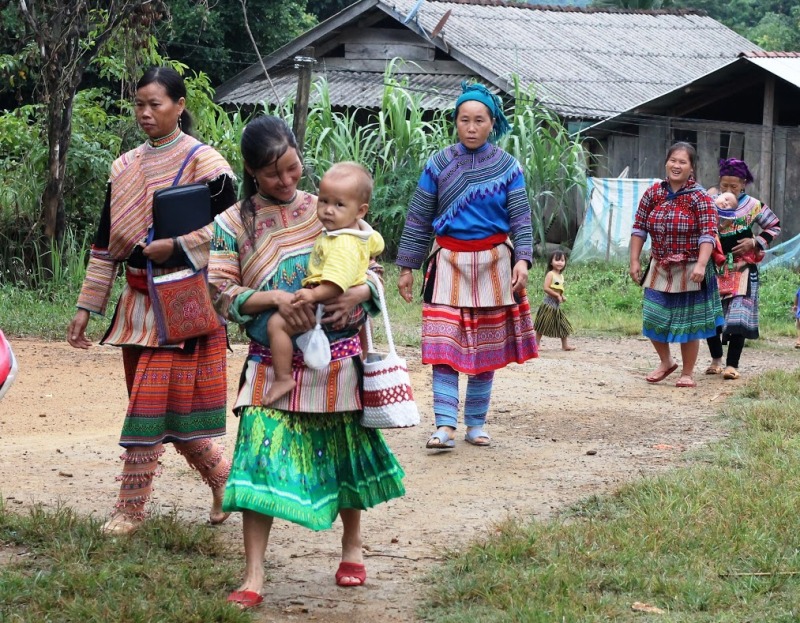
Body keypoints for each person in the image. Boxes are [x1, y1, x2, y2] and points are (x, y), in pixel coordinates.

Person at [206, 116, 405, 608]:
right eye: (274, 175)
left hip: (337, 357)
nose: (289, 182)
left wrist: (355, 292)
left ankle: (352, 545)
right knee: (257, 456)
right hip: (270, 358)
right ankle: (254, 574)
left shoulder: (330, 205)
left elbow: (372, 267)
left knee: (345, 452)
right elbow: (220, 296)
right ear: (252, 172)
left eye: (294, 169)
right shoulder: (231, 225)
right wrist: (273, 298)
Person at [66, 67, 237, 535]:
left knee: (148, 405)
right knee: (164, 410)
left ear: (180, 105)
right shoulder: (122, 167)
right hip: (137, 304)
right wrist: (87, 307)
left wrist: (179, 245)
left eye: (155, 104)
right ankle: (225, 480)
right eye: (139, 104)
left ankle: (129, 510)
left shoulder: (208, 164)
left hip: (185, 306)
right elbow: (106, 243)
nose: (144, 112)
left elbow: (231, 228)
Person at [396, 81, 538, 450]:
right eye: (464, 120)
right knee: (444, 347)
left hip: (494, 266)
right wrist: (407, 267)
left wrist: (522, 258)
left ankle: (476, 423)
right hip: (448, 264)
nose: (472, 127)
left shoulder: (509, 167)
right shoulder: (439, 164)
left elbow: (521, 217)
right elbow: (418, 216)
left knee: (486, 349)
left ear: (493, 123)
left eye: (479, 120)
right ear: (455, 123)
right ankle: (445, 426)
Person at [263, 161, 384, 404]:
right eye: (324, 201)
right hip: (337, 301)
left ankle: (283, 377)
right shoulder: (356, 233)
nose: (328, 210)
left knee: (277, 324)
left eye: (339, 205)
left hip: (329, 301)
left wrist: (312, 295)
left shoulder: (343, 244)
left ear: (360, 211)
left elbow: (336, 284)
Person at [629, 141, 723, 388]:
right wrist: (635, 260)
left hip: (691, 267)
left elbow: (708, 234)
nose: (676, 165)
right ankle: (666, 362)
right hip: (660, 265)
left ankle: (687, 373)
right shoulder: (653, 193)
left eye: (683, 162)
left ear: (692, 168)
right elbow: (639, 228)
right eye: (673, 160)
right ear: (666, 163)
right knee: (652, 317)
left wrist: (702, 265)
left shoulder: (700, 197)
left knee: (687, 322)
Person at [704, 158, 780, 379]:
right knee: (712, 315)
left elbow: (774, 225)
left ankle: (732, 365)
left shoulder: (754, 205)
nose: (728, 190)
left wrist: (755, 242)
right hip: (714, 269)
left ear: (743, 184)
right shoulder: (711, 202)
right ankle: (716, 359)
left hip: (743, 269)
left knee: (739, 315)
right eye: (724, 186)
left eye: (734, 187)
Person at [534, 249, 575, 351]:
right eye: (557, 260)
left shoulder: (561, 276)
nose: (560, 262)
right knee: (542, 325)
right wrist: (557, 295)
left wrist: (562, 296)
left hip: (556, 305)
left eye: (562, 260)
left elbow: (558, 289)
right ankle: (535, 345)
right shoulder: (550, 274)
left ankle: (565, 345)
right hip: (548, 304)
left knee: (563, 325)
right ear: (551, 262)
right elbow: (546, 288)